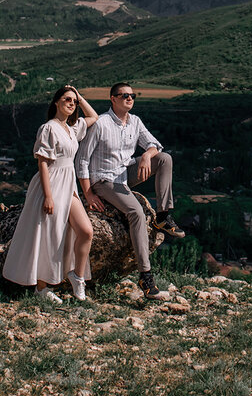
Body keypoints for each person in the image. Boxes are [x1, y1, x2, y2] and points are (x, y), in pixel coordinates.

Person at [76, 82, 184, 298]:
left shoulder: (135, 121)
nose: (129, 98)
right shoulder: (101, 124)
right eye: (124, 95)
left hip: (124, 175)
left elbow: (154, 144)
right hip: (104, 180)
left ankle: (163, 216)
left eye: (132, 95)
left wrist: (146, 156)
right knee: (136, 212)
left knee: (164, 159)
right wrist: (88, 193)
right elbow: (82, 160)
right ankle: (145, 276)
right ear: (113, 99)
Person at [2, 85, 97, 302]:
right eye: (67, 99)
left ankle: (77, 277)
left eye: (74, 101)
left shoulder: (72, 129)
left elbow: (94, 117)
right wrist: (48, 196)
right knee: (48, 236)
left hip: (68, 185)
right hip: (51, 184)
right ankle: (41, 288)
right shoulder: (48, 128)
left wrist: (80, 97)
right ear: (56, 102)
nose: (71, 103)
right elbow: (43, 163)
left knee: (86, 231)